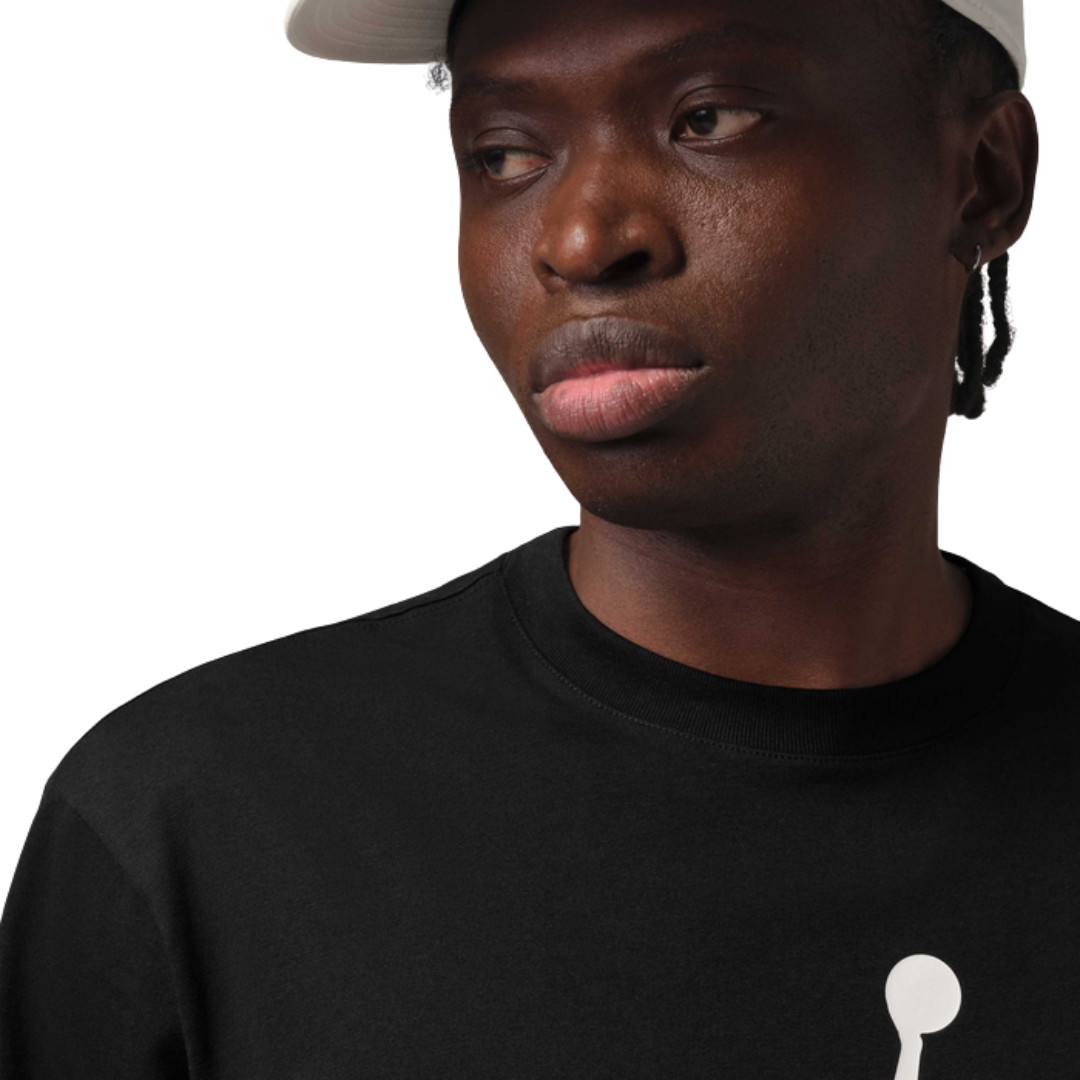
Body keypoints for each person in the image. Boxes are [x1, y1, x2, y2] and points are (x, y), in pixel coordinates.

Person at [0, 0, 1073, 1075]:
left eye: (709, 119)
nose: (580, 240)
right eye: (505, 154)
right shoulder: (198, 828)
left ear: (984, 178)